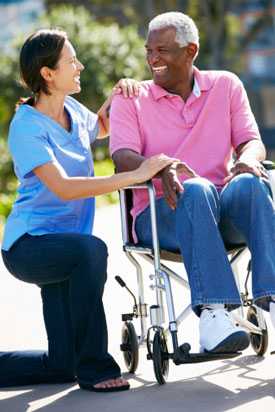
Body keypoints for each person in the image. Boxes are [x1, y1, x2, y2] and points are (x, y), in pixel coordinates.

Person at [0, 29, 176, 392]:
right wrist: (136, 174)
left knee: (62, 366)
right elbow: (63, 187)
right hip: (30, 246)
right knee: (91, 250)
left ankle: (77, 364)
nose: (79, 66)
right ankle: (96, 367)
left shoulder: (73, 111)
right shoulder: (27, 126)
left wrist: (121, 92)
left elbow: (102, 126)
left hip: (66, 247)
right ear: (47, 74)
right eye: (71, 61)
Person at [110, 11, 275, 354]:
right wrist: (160, 167)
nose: (153, 59)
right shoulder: (131, 98)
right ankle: (214, 316)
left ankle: (271, 299)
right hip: (160, 215)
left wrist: (247, 158)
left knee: (253, 183)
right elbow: (122, 156)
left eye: (163, 50)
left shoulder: (226, 85)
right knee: (196, 188)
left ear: (191, 51)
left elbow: (251, 141)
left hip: (221, 210)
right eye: (149, 50)